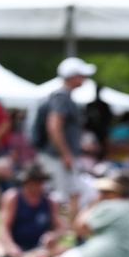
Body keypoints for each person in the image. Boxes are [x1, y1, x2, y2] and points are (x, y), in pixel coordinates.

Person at [47, 175, 129, 257]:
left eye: (105, 192)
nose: (101, 194)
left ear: (115, 191)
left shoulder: (109, 205)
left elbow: (80, 228)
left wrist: (93, 204)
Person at [36, 57, 95, 225]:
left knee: (73, 194)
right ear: (72, 76)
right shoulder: (61, 98)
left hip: (61, 156)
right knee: (64, 196)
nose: (84, 78)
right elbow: (54, 127)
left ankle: (68, 229)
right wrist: (66, 154)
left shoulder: (64, 97)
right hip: (58, 157)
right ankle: (61, 230)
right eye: (81, 74)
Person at [0, 163, 64, 257]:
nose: (38, 186)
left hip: (39, 247)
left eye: (40, 182)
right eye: (34, 182)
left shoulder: (50, 202)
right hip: (14, 242)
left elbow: (61, 228)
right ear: (26, 182)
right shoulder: (12, 198)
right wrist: (11, 246)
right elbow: (4, 227)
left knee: (64, 249)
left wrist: (53, 235)